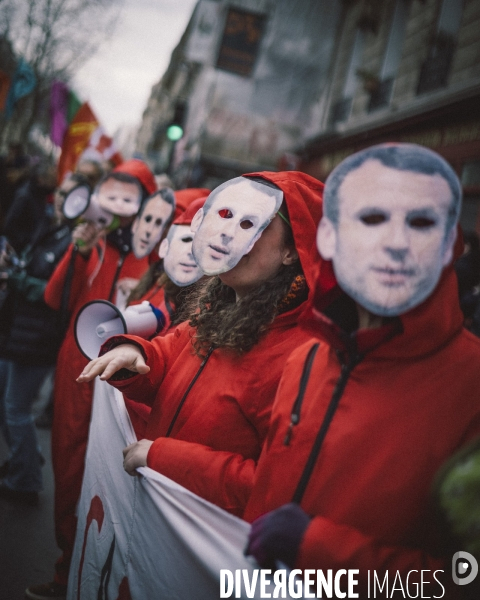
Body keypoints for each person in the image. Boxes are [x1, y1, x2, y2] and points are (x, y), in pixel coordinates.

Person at [244, 144, 480, 598]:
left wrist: (322, 553)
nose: (396, 242)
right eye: (371, 219)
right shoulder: (305, 360)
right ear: (329, 237)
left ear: (451, 245)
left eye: (421, 222)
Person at [77, 171, 323, 520]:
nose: (226, 233)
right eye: (224, 215)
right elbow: (169, 354)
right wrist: (137, 354)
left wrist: (164, 459)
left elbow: (272, 489)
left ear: (290, 251)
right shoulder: (217, 307)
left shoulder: (301, 356)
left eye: (251, 224)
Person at [25, 160, 157, 600]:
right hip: (74, 368)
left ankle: (92, 578)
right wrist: (79, 250)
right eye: (113, 192)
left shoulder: (153, 253)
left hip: (120, 378)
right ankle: (67, 573)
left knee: (104, 476)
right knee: (67, 464)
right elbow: (51, 296)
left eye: (129, 195)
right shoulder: (93, 243)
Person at [0, 171, 79, 505]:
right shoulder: (56, 229)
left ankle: (27, 477)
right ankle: (24, 462)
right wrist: (15, 264)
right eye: (60, 193)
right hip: (21, 330)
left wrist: (13, 277)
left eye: (70, 196)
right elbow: (37, 271)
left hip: (38, 338)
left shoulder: (74, 242)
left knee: (16, 408)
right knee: (10, 406)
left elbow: (54, 294)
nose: (60, 200)